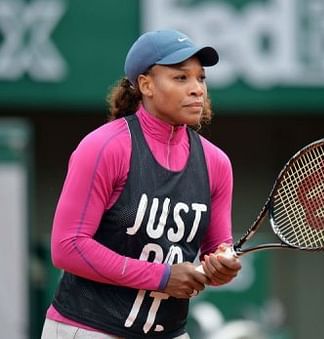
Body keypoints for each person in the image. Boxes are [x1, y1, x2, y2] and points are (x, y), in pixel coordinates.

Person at [41, 29, 241, 339]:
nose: (196, 90)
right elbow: (67, 247)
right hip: (88, 329)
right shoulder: (106, 147)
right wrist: (161, 276)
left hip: (170, 332)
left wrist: (221, 268)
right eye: (180, 78)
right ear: (145, 84)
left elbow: (216, 249)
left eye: (200, 78)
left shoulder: (216, 163)